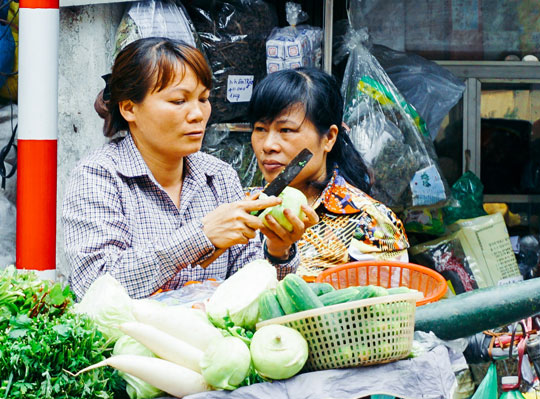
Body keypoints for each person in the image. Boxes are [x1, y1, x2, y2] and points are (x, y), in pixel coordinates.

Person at [60, 38, 317, 299]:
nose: (198, 114)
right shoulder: (99, 175)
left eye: (203, 99)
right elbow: (93, 287)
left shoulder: (219, 176)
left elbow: (251, 291)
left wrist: (277, 250)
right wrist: (201, 235)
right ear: (129, 108)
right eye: (178, 101)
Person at [247, 68, 410, 277]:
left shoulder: (370, 223)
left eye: (286, 130)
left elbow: (389, 305)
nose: (268, 145)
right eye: (260, 129)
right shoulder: (243, 206)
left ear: (329, 138)